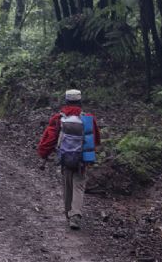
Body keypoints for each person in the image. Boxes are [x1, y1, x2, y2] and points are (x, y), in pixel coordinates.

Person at [36, 89, 101, 230]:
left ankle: (68, 213)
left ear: (66, 101)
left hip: (65, 158)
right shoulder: (88, 118)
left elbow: (49, 139)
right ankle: (75, 215)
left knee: (67, 186)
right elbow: (95, 138)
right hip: (81, 160)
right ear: (80, 101)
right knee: (78, 185)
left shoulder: (58, 118)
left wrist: (43, 153)